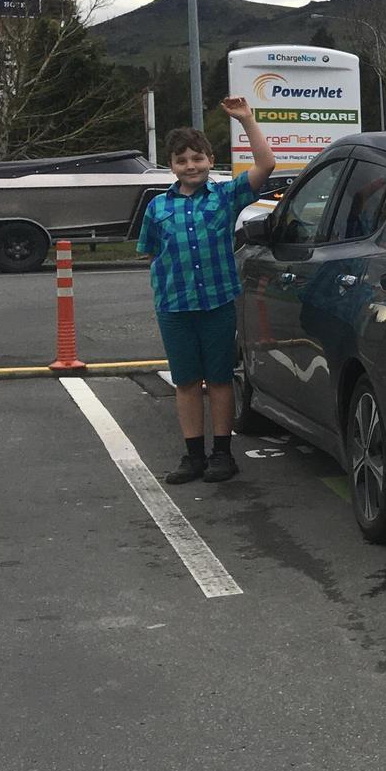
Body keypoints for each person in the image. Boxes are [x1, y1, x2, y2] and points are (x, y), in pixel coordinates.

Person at [136, 98, 276, 485]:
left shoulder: (225, 196)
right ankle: (193, 455)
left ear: (211, 160)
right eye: (181, 160)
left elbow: (266, 165)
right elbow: (151, 253)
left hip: (217, 304)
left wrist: (247, 120)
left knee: (218, 379)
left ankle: (222, 453)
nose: (191, 166)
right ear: (171, 165)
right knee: (185, 382)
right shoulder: (157, 207)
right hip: (175, 307)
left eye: (197, 158)